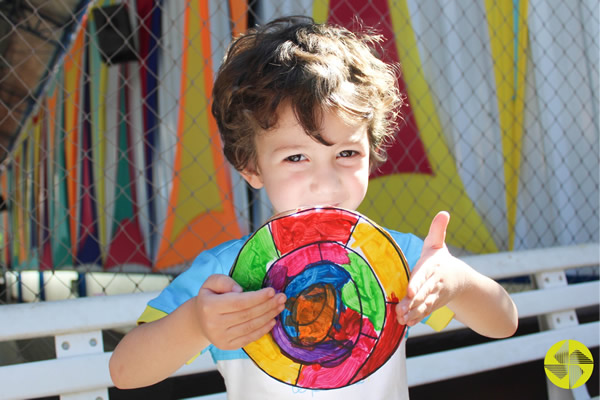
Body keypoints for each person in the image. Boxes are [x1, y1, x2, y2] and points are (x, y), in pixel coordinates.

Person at [109, 16, 518, 399]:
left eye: (346, 153)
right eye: (296, 158)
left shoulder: (395, 257)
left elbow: (504, 323)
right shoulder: (224, 272)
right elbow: (125, 372)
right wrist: (197, 323)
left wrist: (457, 281)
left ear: (371, 155)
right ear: (251, 166)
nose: (326, 181)